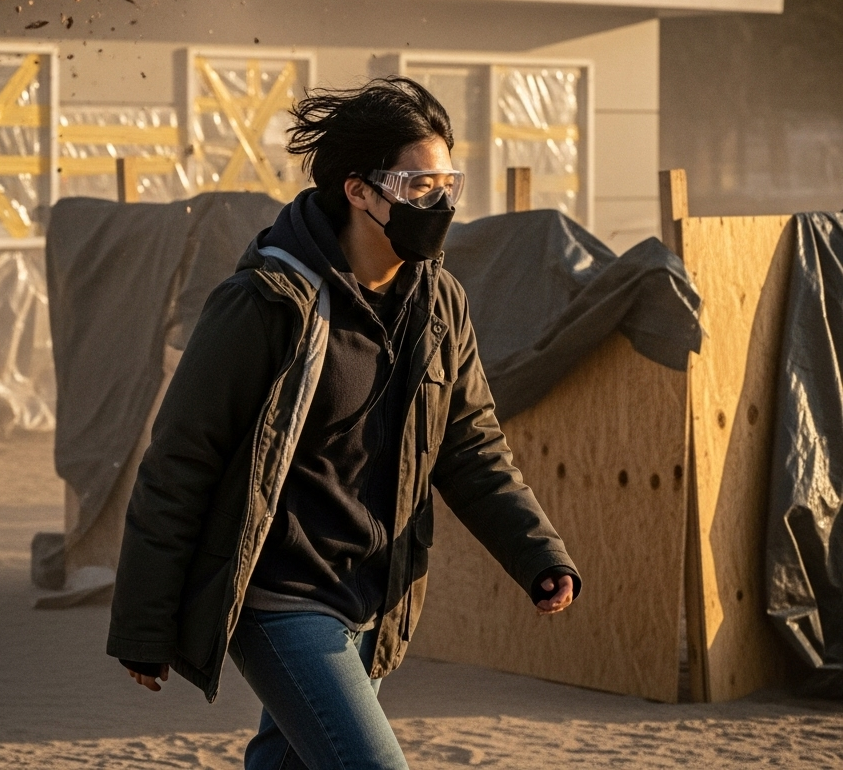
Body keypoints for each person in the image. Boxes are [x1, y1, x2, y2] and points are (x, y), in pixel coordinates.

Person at [107, 77, 580, 770]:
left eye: (447, 181)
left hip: (377, 595)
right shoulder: (264, 303)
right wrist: (146, 623)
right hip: (280, 595)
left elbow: (472, 446)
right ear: (360, 190)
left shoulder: (440, 303)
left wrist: (537, 553)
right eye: (417, 184)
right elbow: (181, 459)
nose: (440, 201)